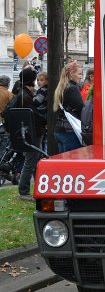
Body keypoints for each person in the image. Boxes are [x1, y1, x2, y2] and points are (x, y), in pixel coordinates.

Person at [13, 68, 46, 201]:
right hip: (32, 131)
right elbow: (33, 114)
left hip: (31, 131)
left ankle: (37, 187)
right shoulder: (24, 95)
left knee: (34, 160)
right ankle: (24, 191)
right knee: (31, 161)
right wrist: (45, 119)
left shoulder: (23, 93)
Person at [53, 60, 84, 153]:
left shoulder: (62, 87)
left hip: (59, 130)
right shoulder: (72, 88)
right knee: (73, 163)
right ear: (71, 73)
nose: (81, 77)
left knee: (64, 163)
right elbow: (81, 108)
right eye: (79, 74)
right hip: (70, 130)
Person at [34, 71, 48, 152]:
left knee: (42, 141)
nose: (39, 82)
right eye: (38, 80)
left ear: (47, 80)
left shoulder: (42, 90)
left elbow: (37, 102)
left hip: (42, 113)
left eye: (42, 80)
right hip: (45, 113)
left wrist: (32, 98)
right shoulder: (47, 89)